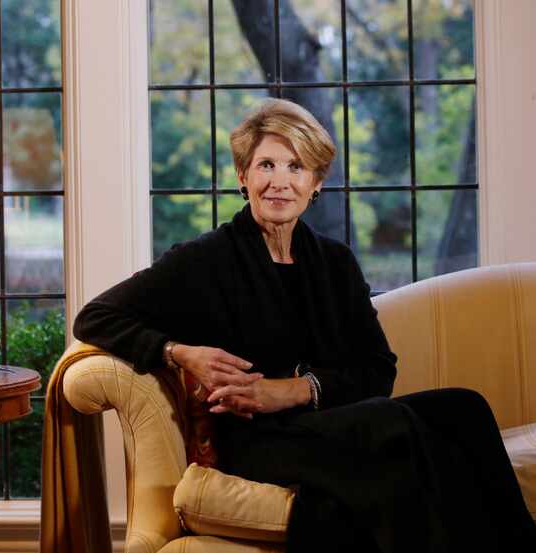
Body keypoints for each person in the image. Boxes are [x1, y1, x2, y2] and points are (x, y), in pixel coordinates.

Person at [73, 98, 536, 552]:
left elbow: (379, 371)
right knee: (388, 426)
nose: (280, 182)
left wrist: (292, 390)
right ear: (243, 176)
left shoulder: (336, 263)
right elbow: (94, 316)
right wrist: (180, 353)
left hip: (336, 422)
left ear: (316, 182)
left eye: (296, 167)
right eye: (266, 165)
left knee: (464, 407)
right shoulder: (203, 260)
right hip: (260, 440)